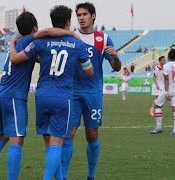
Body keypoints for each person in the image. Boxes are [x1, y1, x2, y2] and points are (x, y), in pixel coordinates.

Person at [0, 11, 79, 180]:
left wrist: (11, 42)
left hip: (1, 93)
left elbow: (37, 58)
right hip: (14, 96)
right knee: (17, 141)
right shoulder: (30, 40)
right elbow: (47, 32)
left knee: (2, 136)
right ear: (34, 27)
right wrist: (70, 33)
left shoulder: (18, 42)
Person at [9, 5, 94, 180]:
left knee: (49, 143)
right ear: (69, 22)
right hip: (63, 97)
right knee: (57, 144)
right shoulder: (77, 44)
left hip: (42, 96)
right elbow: (89, 71)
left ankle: (60, 178)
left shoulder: (40, 43)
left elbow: (20, 58)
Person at [61, 2, 121, 180]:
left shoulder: (104, 39)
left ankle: (91, 176)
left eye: (84, 14)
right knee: (68, 134)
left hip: (93, 93)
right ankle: (63, 176)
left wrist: (116, 57)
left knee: (92, 134)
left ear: (93, 16)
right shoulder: (72, 37)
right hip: (72, 93)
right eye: (78, 15)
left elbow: (116, 67)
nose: (81, 18)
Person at [150, 49, 175, 135]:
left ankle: (159, 127)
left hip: (167, 90)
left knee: (157, 106)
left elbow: (166, 79)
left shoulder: (166, 66)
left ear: (168, 56)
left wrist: (166, 91)